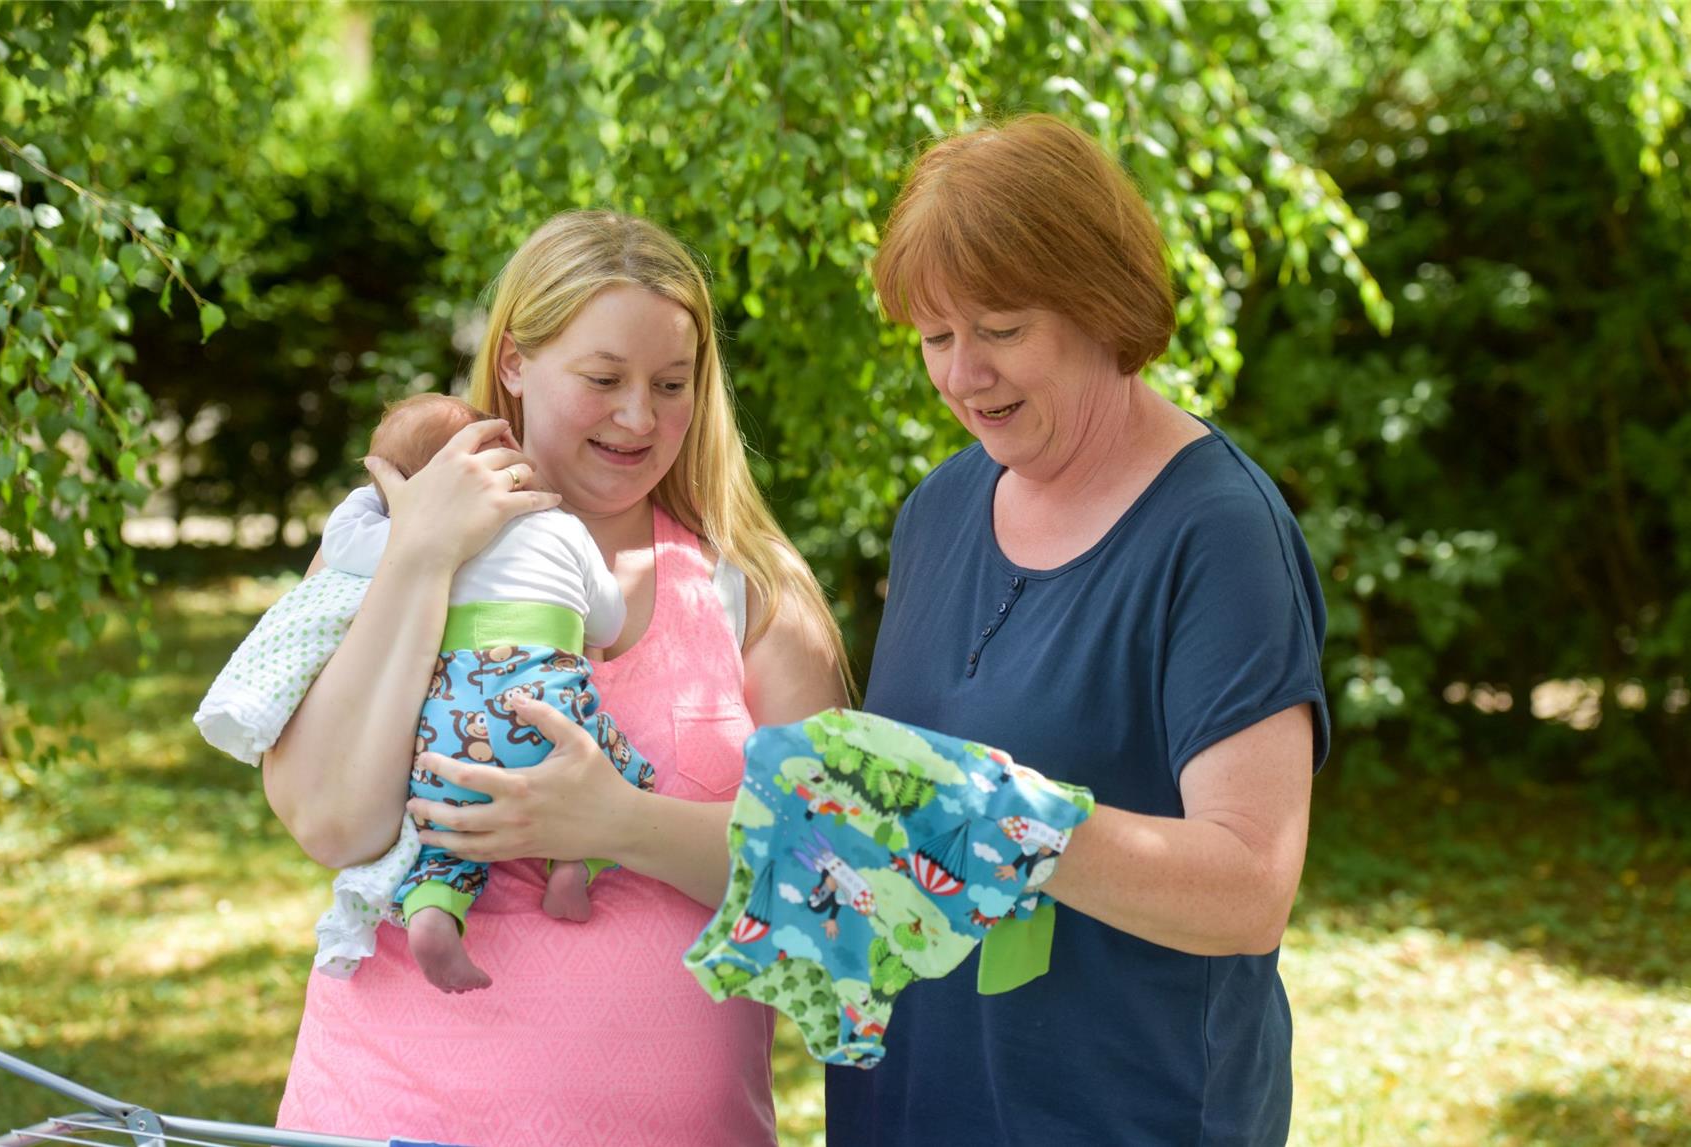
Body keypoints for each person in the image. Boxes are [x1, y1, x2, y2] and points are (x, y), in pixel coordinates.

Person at [262, 211, 849, 1147]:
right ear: (514, 366)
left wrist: (619, 822)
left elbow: (838, 885)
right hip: (390, 1118)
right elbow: (331, 820)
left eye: (671, 384)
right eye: (604, 378)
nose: (639, 418)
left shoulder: (751, 589)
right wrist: (424, 555)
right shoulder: (382, 544)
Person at [823, 115, 1330, 1146]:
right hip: (912, 1102)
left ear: (1103, 304)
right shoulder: (936, 511)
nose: (963, 376)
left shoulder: (1217, 532)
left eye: (1002, 330)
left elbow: (1247, 888)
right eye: (936, 337)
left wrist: (996, 818)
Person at [318, 393, 647, 993]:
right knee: (624, 775)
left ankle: (434, 914)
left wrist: (382, 495)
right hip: (548, 712)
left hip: (448, 724)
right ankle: (576, 862)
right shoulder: (558, 524)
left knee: (441, 833)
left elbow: (341, 544)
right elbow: (608, 625)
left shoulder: (410, 539)